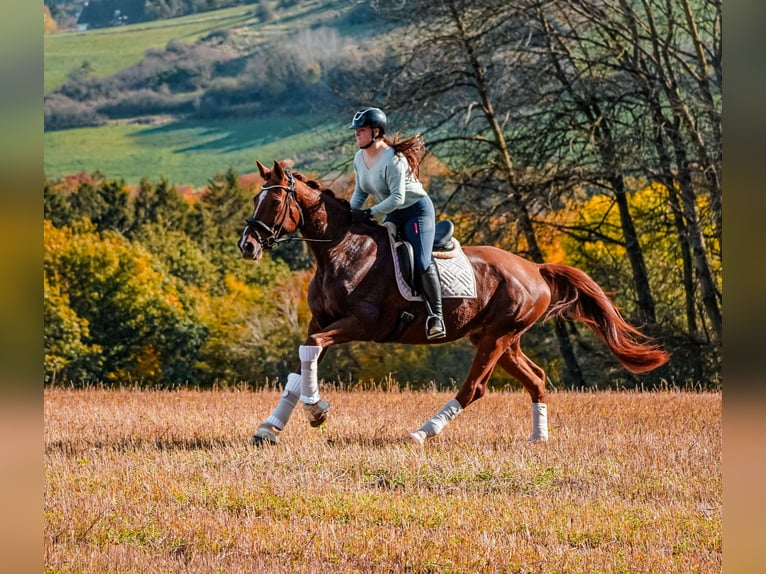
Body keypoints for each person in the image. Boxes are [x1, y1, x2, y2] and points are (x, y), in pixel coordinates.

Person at [348, 106, 446, 340]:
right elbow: (360, 192)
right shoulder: (359, 158)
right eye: (356, 131)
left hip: (416, 211)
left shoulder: (393, 159)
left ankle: (436, 316)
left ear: (376, 131)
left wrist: (370, 213)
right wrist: (349, 214)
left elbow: (398, 198)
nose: (356, 134)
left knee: (421, 261)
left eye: (361, 130)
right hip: (393, 212)